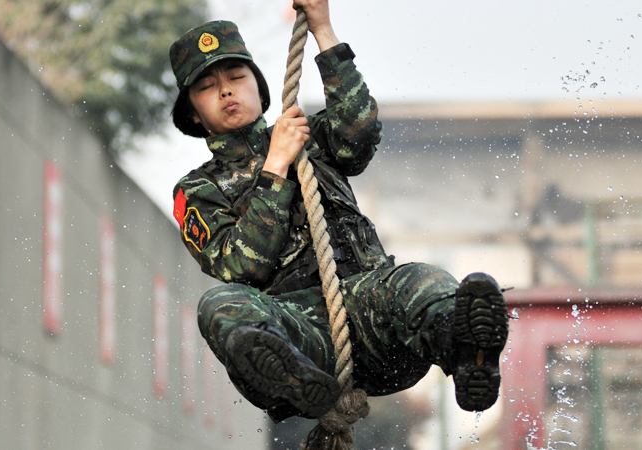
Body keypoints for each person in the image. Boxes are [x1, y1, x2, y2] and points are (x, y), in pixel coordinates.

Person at [168, 0, 509, 423]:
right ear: (194, 114)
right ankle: (293, 379)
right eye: (207, 86)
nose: (225, 91)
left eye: (237, 77)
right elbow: (242, 267)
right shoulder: (197, 191)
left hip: (375, 317)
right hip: (303, 332)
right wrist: (275, 168)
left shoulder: (312, 136)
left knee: (423, 281)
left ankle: (469, 353)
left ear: (259, 88)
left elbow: (360, 132)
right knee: (219, 306)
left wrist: (324, 31)